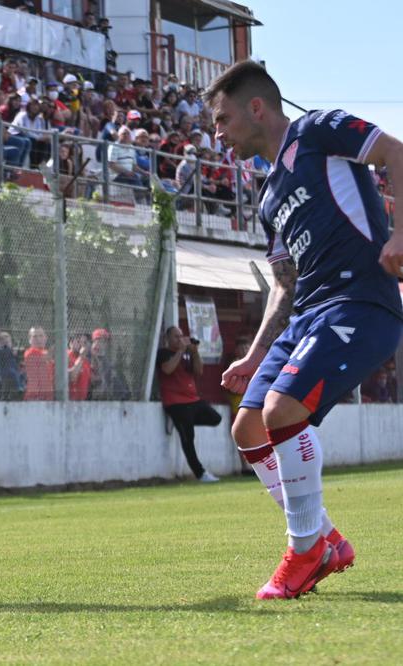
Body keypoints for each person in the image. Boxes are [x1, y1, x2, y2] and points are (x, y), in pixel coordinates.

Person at [211, 60, 403, 599]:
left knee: (282, 412)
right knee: (247, 428)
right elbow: (283, 284)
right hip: (308, 313)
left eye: (223, 119)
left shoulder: (317, 131)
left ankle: (304, 549)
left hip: (359, 302)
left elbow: (396, 152)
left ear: (256, 108)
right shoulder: (269, 197)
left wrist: (400, 235)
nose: (217, 133)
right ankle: (325, 537)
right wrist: (254, 355)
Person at [157, 326, 222, 482]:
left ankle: (182, 423)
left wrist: (194, 352)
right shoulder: (163, 353)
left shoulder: (187, 354)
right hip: (176, 402)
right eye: (175, 337)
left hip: (193, 400)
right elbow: (167, 370)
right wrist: (180, 351)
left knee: (215, 418)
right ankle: (200, 474)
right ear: (168, 339)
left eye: (181, 336)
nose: (179, 339)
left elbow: (199, 371)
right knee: (188, 438)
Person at [88, 328, 128, 400]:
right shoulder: (90, 354)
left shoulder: (103, 358)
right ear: (97, 341)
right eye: (104, 340)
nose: (106, 343)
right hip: (93, 394)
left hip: (104, 392)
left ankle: (122, 394)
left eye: (106, 341)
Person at [22, 326, 54, 401]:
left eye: (41, 336)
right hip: (34, 397)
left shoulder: (47, 353)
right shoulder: (29, 352)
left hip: (48, 396)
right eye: (35, 336)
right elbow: (46, 358)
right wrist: (58, 344)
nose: (38, 339)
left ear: (46, 338)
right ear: (30, 340)